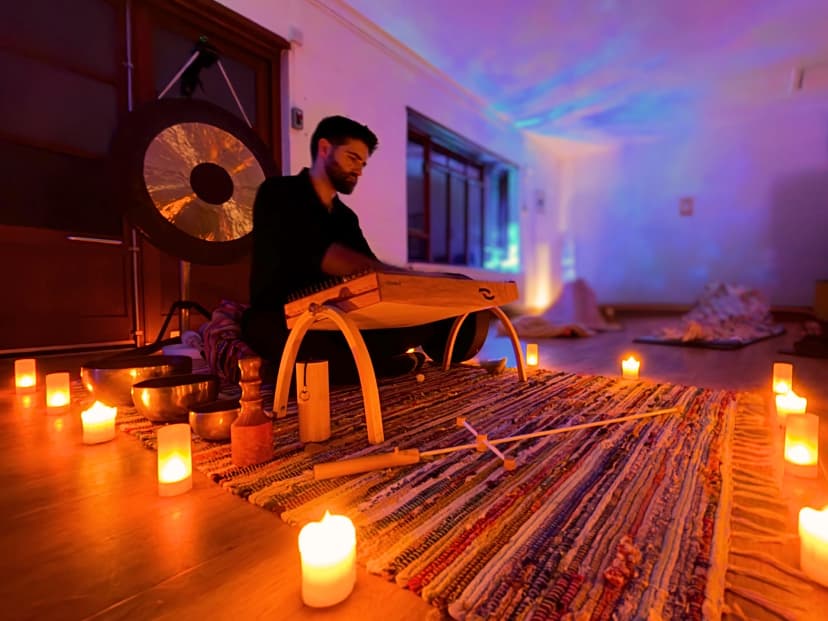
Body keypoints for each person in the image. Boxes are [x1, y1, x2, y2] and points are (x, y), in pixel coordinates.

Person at [241, 115, 488, 384]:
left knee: (420, 324)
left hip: (340, 321)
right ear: (324, 149)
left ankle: (364, 365)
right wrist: (421, 278)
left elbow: (372, 274)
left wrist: (425, 298)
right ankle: (361, 367)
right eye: (352, 158)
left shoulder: (346, 217)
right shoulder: (278, 192)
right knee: (305, 352)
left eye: (363, 163)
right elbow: (331, 258)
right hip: (281, 319)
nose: (359, 170)